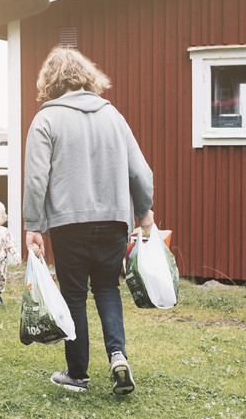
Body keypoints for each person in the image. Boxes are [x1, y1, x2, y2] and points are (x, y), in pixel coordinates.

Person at [23, 46, 154, 395]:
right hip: (114, 221)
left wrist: (33, 226)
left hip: (69, 223)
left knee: (74, 295)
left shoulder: (46, 119)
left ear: (50, 79)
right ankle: (118, 356)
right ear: (86, 75)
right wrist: (144, 211)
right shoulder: (114, 116)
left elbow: (36, 179)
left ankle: (77, 374)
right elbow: (140, 171)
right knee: (108, 288)